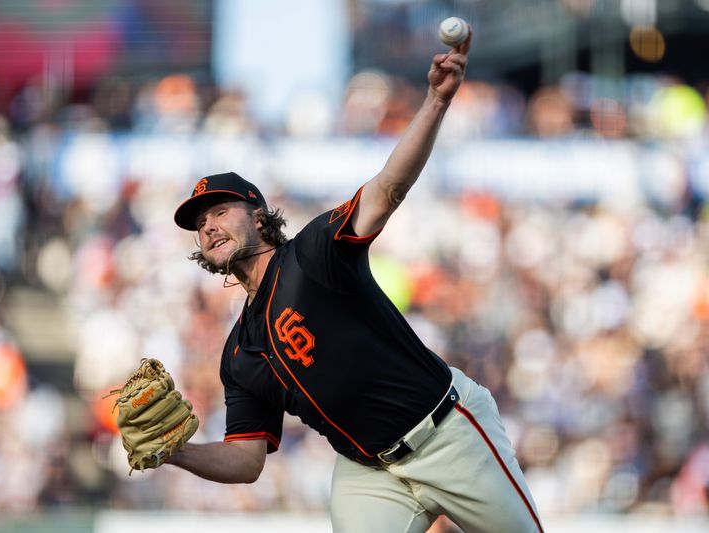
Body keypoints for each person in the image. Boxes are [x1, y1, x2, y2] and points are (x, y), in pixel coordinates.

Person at [168, 30, 543, 533]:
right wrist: (175, 452)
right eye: (200, 223)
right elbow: (246, 461)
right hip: (369, 471)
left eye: (219, 210)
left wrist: (434, 101)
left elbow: (387, 189)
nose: (208, 225)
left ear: (259, 217)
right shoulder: (239, 355)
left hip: (447, 432)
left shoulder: (313, 252)